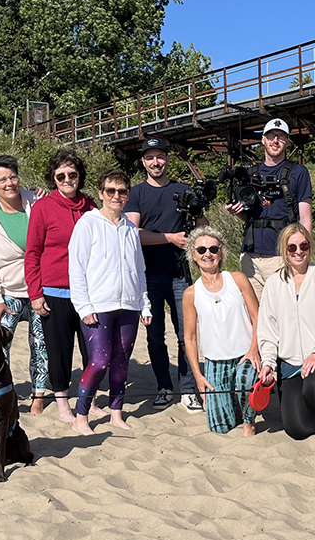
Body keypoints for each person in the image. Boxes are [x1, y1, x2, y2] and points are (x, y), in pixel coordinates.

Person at [69, 169, 152, 434]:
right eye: (110, 191)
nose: (116, 196)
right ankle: (81, 417)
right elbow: (77, 268)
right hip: (98, 306)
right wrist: (83, 307)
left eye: (122, 191)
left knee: (121, 361)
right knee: (99, 361)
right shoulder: (87, 223)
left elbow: (139, 269)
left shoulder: (129, 226)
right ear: (101, 193)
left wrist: (145, 303)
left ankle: (116, 414)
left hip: (128, 305)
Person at [124, 136, 204, 412]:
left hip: (180, 272)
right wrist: (169, 237)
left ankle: (188, 389)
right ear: (144, 162)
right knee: (155, 335)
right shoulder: (136, 193)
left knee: (186, 334)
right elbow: (132, 233)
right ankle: (164, 387)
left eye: (160, 156)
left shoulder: (183, 189)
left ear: (168, 159)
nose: (156, 162)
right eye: (150, 157)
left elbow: (203, 228)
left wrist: (198, 211)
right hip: (148, 274)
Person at [257, 224, 315, 451]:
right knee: (298, 429)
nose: (298, 251)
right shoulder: (273, 283)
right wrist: (269, 363)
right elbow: (267, 330)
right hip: (290, 362)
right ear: (284, 250)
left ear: (310, 247)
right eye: (292, 247)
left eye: (304, 245)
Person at [24, 148, 98, 424]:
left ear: (80, 176)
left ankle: (88, 403)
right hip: (54, 292)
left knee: (93, 351)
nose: (67, 179)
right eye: (61, 175)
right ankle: (63, 405)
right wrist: (35, 294)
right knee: (59, 352)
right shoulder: (43, 208)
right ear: (53, 178)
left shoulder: (91, 206)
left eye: (73, 174)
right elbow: (32, 253)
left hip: (88, 292)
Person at [0, 154, 49, 416]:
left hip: (40, 288)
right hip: (8, 292)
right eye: (2, 179)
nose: (9, 183)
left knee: (40, 344)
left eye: (13, 177)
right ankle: (3, 391)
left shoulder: (36, 200)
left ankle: (39, 394)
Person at [182, 226, 262, 436]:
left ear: (221, 252)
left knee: (246, 381)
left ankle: (248, 422)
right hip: (215, 360)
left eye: (213, 249)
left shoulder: (237, 279)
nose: (207, 254)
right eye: (201, 250)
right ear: (193, 255)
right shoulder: (191, 293)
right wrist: (198, 375)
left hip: (245, 354)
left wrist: (254, 349)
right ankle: (235, 407)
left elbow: (257, 317)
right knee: (219, 427)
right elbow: (189, 337)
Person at [225, 118, 313, 301]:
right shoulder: (250, 174)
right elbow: (249, 217)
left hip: (282, 255)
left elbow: (305, 219)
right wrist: (236, 210)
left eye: (281, 137)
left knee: (283, 312)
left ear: (287, 142)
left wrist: (304, 253)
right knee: (255, 315)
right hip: (251, 255)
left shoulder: (298, 172)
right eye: (271, 136)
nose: (275, 141)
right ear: (263, 140)